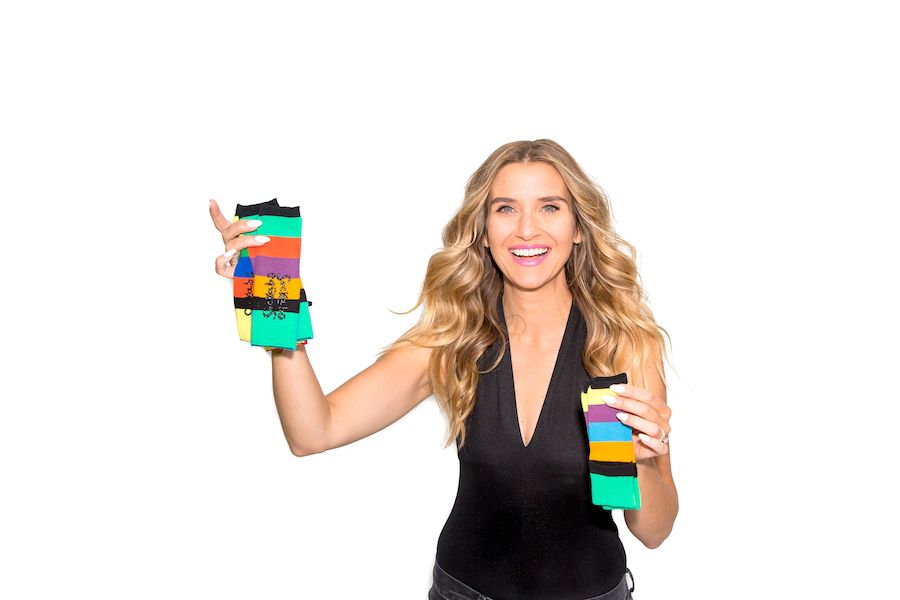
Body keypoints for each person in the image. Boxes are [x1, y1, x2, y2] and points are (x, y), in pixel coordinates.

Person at [209, 139, 677, 599]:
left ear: (577, 227)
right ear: (483, 228)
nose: (527, 230)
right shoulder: (453, 341)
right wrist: (273, 296)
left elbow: (654, 531)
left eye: (549, 208)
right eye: (506, 209)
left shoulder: (623, 346)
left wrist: (642, 462)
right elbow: (313, 432)